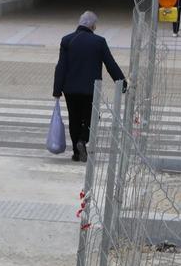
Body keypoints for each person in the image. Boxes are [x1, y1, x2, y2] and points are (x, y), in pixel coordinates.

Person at [52, 11, 127, 163]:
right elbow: (110, 64)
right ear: (93, 26)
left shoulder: (66, 40)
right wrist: (122, 83)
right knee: (92, 117)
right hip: (91, 89)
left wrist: (57, 90)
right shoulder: (99, 41)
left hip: (70, 89)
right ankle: (83, 140)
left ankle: (76, 153)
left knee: (74, 118)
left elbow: (61, 66)